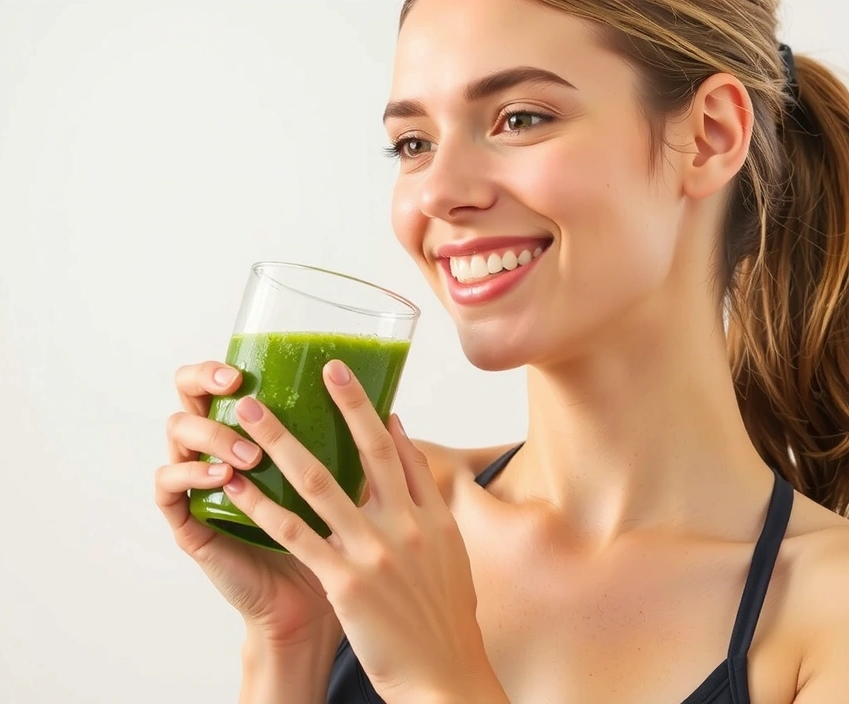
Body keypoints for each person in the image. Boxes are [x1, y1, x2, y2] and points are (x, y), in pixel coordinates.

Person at [156, 0, 849, 701]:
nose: (439, 194)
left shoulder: (829, 611)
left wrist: (438, 679)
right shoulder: (382, 518)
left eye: (520, 118)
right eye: (414, 144)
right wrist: (289, 639)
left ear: (708, 135)